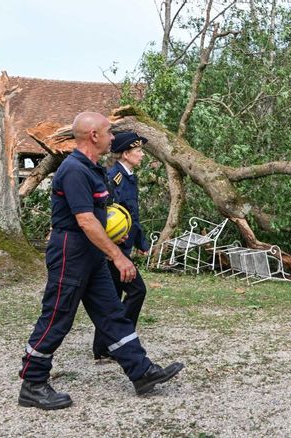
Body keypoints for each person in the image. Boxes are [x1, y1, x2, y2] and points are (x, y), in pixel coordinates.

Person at [18, 112, 183, 410]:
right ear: (94, 135)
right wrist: (118, 257)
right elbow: (85, 221)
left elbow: (99, 218)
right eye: (108, 133)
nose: (112, 138)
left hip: (90, 252)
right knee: (58, 315)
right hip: (72, 250)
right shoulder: (74, 170)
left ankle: (140, 371)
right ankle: (33, 383)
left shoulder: (92, 168)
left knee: (111, 312)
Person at [92, 131, 150, 361]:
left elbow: (131, 216)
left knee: (113, 298)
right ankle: (120, 341)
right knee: (137, 291)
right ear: (126, 154)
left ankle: (102, 348)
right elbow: (109, 215)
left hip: (123, 247)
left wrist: (141, 241)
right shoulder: (113, 177)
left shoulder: (128, 176)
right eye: (138, 151)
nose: (142, 155)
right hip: (112, 250)